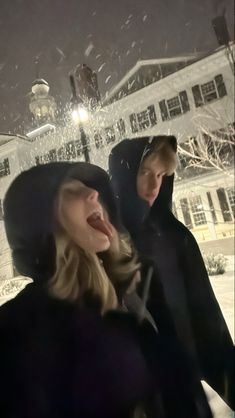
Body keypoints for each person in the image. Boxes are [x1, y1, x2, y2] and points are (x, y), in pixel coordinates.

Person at [0, 161, 158, 418]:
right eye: (69, 191)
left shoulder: (125, 298)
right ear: (39, 222)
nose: (93, 193)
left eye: (90, 187)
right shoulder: (16, 331)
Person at [109, 135, 234, 411]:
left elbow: (207, 320)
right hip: (144, 391)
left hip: (187, 383)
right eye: (144, 172)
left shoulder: (177, 236)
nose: (155, 185)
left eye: (161, 174)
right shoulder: (110, 243)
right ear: (124, 174)